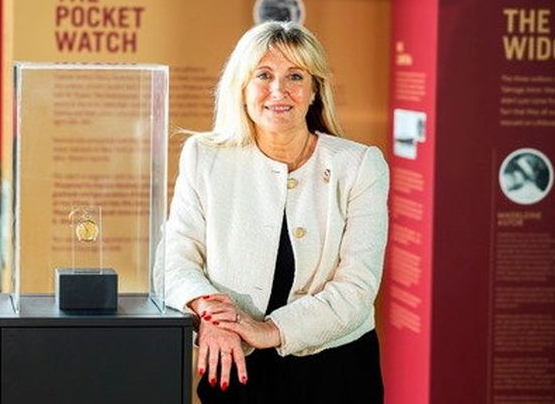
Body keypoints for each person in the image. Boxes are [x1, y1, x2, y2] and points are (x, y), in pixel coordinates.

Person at [164, 21, 389, 403]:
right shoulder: (205, 158)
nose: (278, 91)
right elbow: (175, 259)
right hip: (236, 364)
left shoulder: (361, 165)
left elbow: (357, 288)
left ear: (315, 90)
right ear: (242, 88)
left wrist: (268, 330)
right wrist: (211, 315)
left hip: (337, 371)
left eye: (295, 76)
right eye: (263, 75)